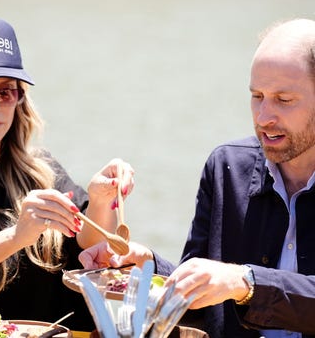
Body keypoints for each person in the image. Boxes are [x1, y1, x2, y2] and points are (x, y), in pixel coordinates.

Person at [79, 18, 315, 338]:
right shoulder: (225, 166)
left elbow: (232, 281)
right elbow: (202, 303)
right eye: (257, 96)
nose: (263, 117)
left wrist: (244, 283)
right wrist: (146, 265)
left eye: (283, 100)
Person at [0, 13, 134, 332]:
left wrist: (100, 200)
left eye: (6, 91)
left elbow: (86, 250)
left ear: (20, 97)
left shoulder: (43, 170)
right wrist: (15, 236)